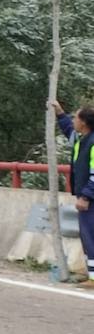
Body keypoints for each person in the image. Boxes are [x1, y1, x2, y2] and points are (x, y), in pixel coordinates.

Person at [52, 100, 94, 286]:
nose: (73, 120)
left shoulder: (92, 143)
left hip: (90, 198)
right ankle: (90, 273)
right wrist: (60, 114)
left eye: (75, 117)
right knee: (87, 235)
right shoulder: (81, 140)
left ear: (84, 122)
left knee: (91, 235)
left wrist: (86, 196)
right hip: (86, 195)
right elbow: (69, 131)